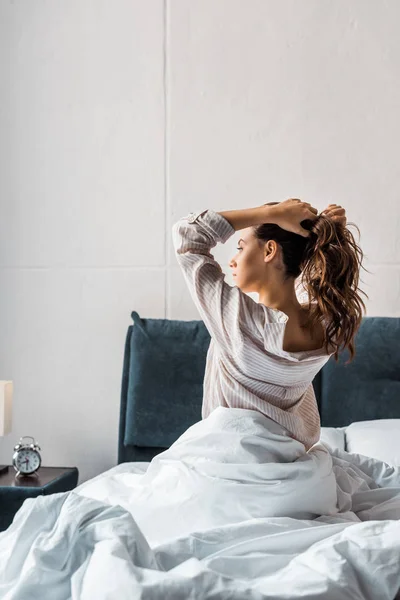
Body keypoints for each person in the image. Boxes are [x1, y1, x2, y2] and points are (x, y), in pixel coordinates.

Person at [172, 199, 367, 452]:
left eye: (241, 248)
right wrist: (331, 237)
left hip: (228, 468)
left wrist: (271, 214)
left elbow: (188, 235)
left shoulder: (238, 318)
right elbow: (332, 283)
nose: (232, 260)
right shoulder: (330, 324)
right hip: (290, 466)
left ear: (269, 251)